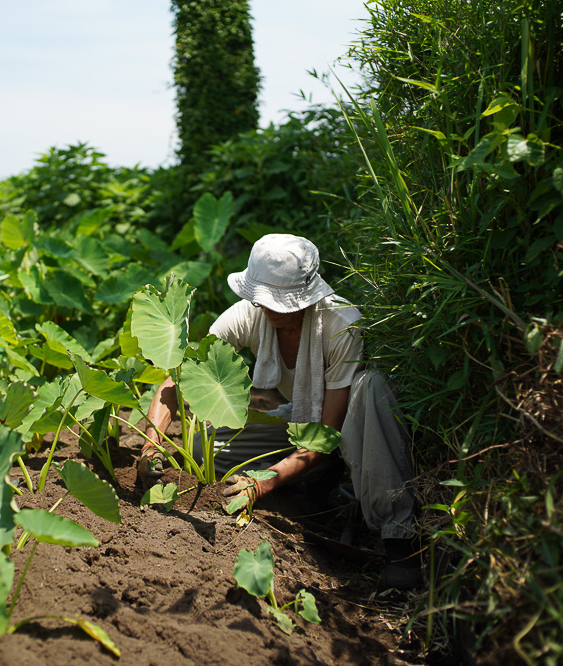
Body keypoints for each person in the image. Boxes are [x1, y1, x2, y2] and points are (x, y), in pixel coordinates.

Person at [136, 234, 423, 589]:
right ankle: (312, 480)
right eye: (263, 298)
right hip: (298, 422)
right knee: (198, 449)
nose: (269, 308)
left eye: (281, 302)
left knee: (372, 386)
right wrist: (152, 444)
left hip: (352, 429)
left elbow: (327, 432)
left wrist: (263, 482)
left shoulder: (341, 324)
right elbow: (177, 376)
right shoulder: (248, 315)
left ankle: (400, 538)